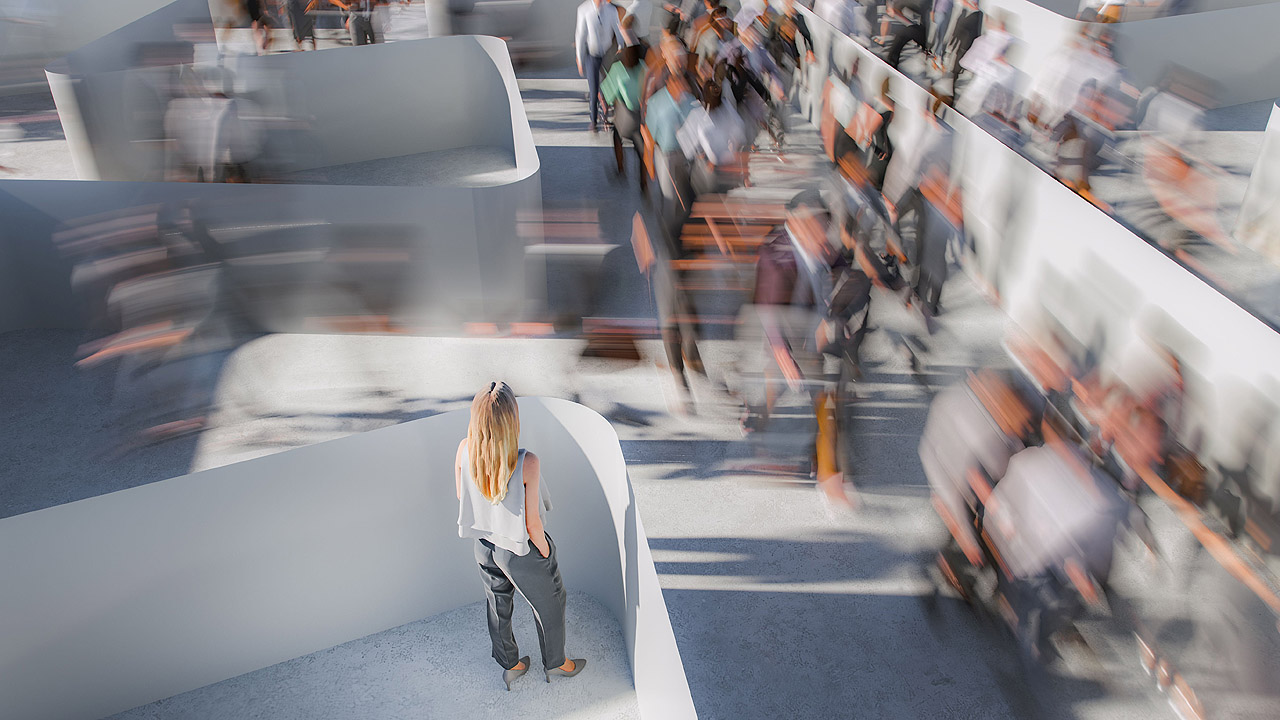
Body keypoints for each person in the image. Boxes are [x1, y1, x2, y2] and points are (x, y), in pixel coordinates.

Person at [456, 383, 586, 689]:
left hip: (484, 545)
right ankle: (557, 664)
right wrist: (544, 551)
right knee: (551, 603)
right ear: (511, 420)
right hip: (519, 550)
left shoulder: (464, 449)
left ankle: (511, 665)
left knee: (497, 605)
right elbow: (532, 524)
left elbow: (461, 493)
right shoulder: (526, 462)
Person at [577, 0, 627, 132]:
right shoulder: (584, 9)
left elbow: (617, 27)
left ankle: (606, 116)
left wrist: (621, 45)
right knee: (594, 89)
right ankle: (593, 121)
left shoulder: (610, 10)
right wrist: (579, 57)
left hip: (607, 54)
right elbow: (581, 35)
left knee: (608, 87)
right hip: (592, 55)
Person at [602, 45, 647, 191]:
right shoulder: (643, 68)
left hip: (625, 118)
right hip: (640, 116)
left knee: (616, 135)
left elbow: (608, 95)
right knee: (641, 151)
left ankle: (621, 168)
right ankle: (643, 182)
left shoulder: (618, 69)